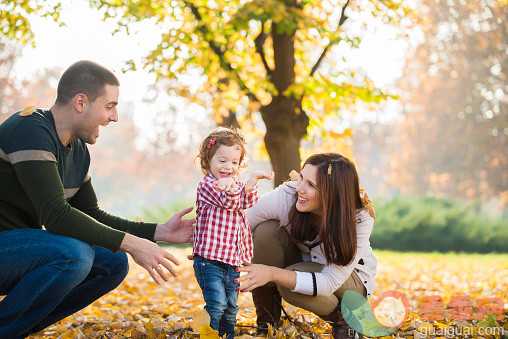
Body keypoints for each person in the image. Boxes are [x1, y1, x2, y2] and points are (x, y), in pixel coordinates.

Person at [0, 60, 195, 338]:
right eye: (109, 106)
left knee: (112, 263)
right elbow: (57, 215)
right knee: (73, 255)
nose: (114, 117)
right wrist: (133, 244)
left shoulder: (78, 151)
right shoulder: (30, 128)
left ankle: (14, 328)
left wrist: (158, 232)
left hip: (14, 251)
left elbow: (94, 216)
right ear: (81, 102)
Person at [237, 153, 377, 339]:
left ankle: (346, 320)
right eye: (302, 178)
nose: (299, 188)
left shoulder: (359, 217)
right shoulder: (287, 195)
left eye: (311, 185)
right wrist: (197, 236)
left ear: (332, 193)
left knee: (290, 284)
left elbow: (328, 282)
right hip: (304, 264)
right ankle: (267, 326)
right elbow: (239, 223)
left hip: (350, 280)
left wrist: (272, 273)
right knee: (265, 231)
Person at [192, 127, 274, 339]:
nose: (229, 167)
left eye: (234, 162)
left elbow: (247, 201)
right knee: (217, 303)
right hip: (209, 261)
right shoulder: (207, 185)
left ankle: (226, 336)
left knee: (230, 307)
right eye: (222, 161)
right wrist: (231, 186)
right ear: (208, 161)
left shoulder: (233, 185)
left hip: (231, 261)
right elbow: (229, 202)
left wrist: (252, 181)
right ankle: (209, 335)